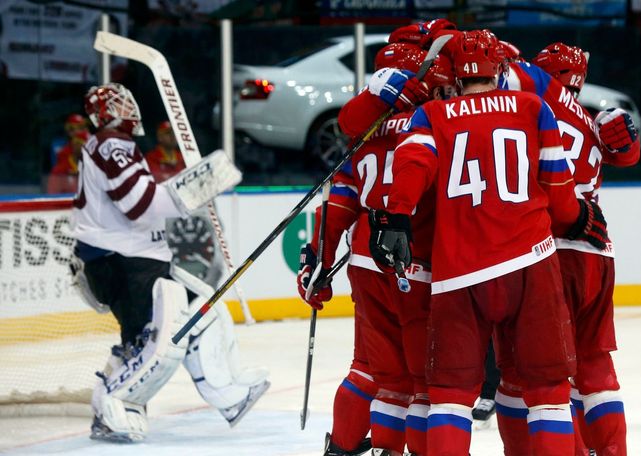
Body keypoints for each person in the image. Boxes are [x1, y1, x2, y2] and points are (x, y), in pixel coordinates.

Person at [369, 30, 609, 456]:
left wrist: (396, 216)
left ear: (457, 76)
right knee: (549, 392)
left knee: (449, 396)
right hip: (531, 267)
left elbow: (413, 162)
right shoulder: (534, 108)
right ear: (500, 70)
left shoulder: (434, 116)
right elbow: (559, 197)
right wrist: (580, 219)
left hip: (459, 273)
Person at [70, 82, 269, 442]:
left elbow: (139, 203)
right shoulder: (114, 144)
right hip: (123, 260)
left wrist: (188, 188)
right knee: (154, 343)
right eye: (121, 103)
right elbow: (139, 207)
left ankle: (227, 393)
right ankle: (113, 407)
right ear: (109, 112)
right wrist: (192, 189)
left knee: (201, 313)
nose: (131, 109)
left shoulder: (114, 145)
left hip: (134, 257)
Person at [298, 37, 456, 456]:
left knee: (371, 368)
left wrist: (317, 261)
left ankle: (345, 448)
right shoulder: (434, 123)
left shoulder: (365, 133)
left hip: (366, 261)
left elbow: (339, 204)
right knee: (424, 378)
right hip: (412, 258)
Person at [497, 41, 639, 456]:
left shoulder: (542, 97)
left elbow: (508, 73)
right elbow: (626, 152)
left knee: (533, 371)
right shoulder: (592, 122)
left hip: (546, 248)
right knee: (594, 366)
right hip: (596, 249)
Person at [47, 114, 91, 194]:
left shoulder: (95, 151)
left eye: (84, 127)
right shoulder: (63, 153)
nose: (84, 130)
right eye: (80, 127)